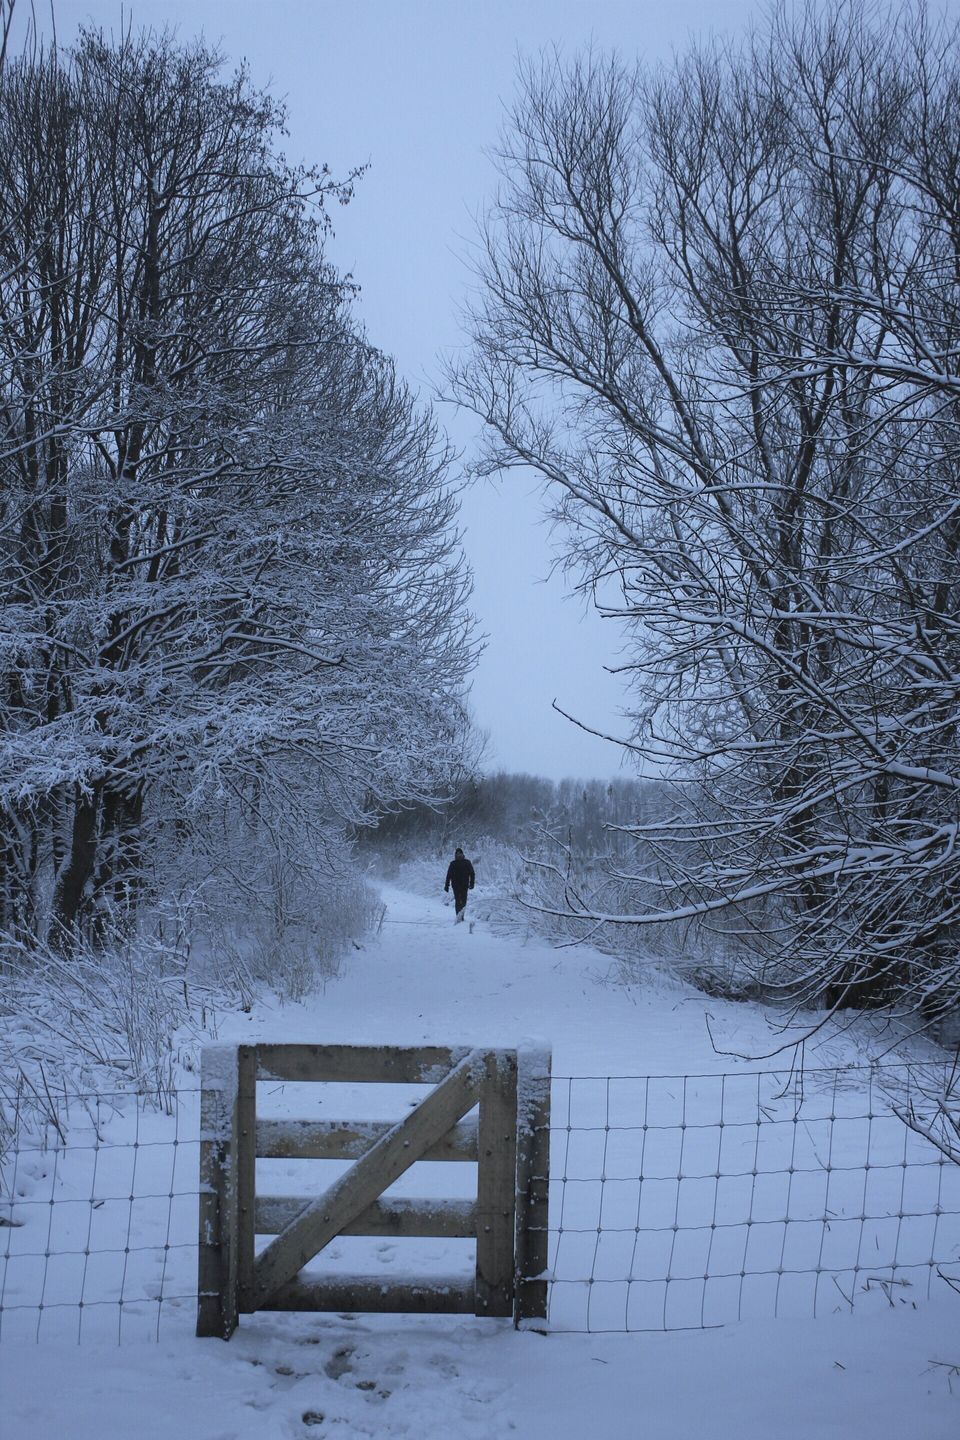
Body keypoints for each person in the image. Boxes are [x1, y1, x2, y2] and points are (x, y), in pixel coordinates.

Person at [444, 846, 475, 923]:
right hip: (455, 886)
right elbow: (448, 875)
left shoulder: (467, 862)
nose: (458, 855)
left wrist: (472, 883)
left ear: (462, 854)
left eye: (460, 853)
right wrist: (446, 885)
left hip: (465, 885)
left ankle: (462, 916)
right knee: (458, 901)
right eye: (457, 854)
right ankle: (458, 916)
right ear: (455, 855)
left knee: (464, 901)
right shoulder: (453, 863)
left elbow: (472, 873)